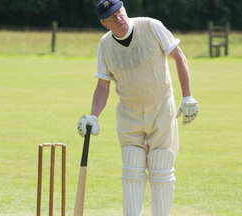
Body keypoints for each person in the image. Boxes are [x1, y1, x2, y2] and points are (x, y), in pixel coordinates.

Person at [77, 0, 198, 215]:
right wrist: (93, 116)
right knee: (131, 170)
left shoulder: (151, 26)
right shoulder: (105, 45)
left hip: (161, 108)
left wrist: (187, 96)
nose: (119, 18)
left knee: (161, 168)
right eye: (112, 17)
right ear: (105, 24)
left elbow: (178, 56)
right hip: (129, 113)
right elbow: (103, 85)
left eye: (120, 12)